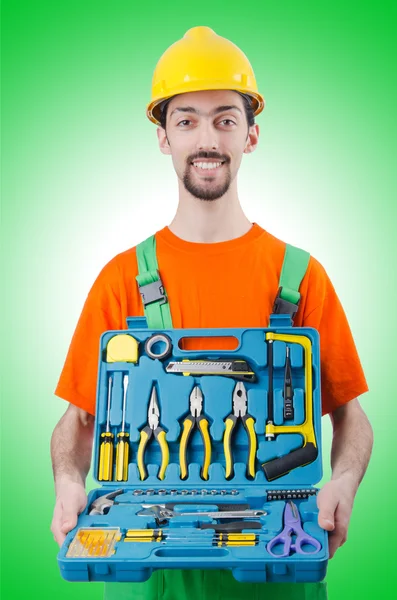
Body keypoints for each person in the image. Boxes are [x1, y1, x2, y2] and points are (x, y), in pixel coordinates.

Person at [50, 26, 373, 600]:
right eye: (186, 120)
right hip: (140, 564)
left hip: (274, 559)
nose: (207, 138)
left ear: (251, 135)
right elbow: (77, 424)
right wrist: (70, 482)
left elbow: (350, 416)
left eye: (225, 118)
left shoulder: (297, 279)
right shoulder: (122, 278)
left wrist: (343, 480)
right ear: (163, 137)